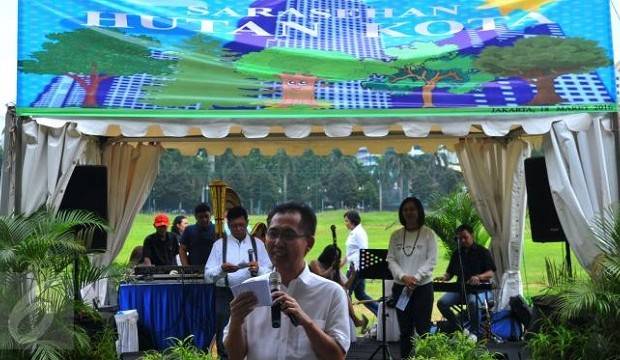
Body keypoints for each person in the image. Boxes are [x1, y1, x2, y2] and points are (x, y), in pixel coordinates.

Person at [224, 202, 350, 360]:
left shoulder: (331, 293)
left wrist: (306, 322)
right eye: (273, 234)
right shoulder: (250, 289)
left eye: (288, 235)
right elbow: (235, 356)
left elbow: (337, 356)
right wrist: (235, 322)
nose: (277, 242)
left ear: (309, 244)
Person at [205, 206, 272, 359]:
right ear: (228, 225)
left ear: (247, 223)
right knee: (224, 331)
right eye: (234, 226)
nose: (238, 229)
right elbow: (207, 276)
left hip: (253, 293)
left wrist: (258, 269)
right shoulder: (219, 245)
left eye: (241, 225)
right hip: (226, 294)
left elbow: (270, 272)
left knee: (254, 329)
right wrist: (221, 269)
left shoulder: (258, 244)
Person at [387, 197, 438, 359]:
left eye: (412, 209)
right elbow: (391, 259)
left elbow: (432, 261)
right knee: (405, 331)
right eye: (405, 209)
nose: (409, 212)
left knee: (423, 330)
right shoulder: (395, 235)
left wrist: (415, 278)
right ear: (402, 213)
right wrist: (403, 277)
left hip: (422, 289)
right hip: (401, 288)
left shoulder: (428, 234)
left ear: (419, 211)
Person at [435, 224, 496, 336]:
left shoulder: (483, 252)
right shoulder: (456, 254)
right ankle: (461, 330)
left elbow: (491, 272)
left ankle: (475, 333)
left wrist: (478, 277)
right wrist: (444, 278)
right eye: (459, 238)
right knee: (442, 303)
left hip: (480, 291)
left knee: (473, 302)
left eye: (465, 237)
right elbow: (449, 274)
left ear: (472, 235)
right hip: (460, 289)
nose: (462, 240)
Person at [310, 244, 369, 334]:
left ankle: (354, 319)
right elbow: (321, 276)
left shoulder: (334, 269)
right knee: (343, 292)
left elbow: (345, 286)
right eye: (334, 257)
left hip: (328, 293)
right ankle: (355, 320)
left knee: (344, 291)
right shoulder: (315, 263)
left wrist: (352, 276)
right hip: (317, 291)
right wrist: (332, 268)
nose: (336, 260)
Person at [343, 210, 377, 315]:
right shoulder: (354, 232)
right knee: (360, 294)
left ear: (353, 221)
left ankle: (350, 320)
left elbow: (364, 250)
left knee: (345, 293)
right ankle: (381, 312)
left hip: (356, 269)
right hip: (355, 267)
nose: (345, 223)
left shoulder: (358, 233)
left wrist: (358, 270)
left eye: (346, 221)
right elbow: (352, 252)